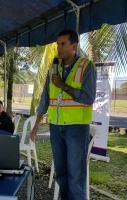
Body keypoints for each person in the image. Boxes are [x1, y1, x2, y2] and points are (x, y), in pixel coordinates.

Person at [29, 29, 97, 200]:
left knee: (76, 176)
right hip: (56, 127)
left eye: (63, 44)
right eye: (58, 44)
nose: (58, 48)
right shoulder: (53, 69)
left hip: (76, 128)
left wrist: (63, 85)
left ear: (74, 45)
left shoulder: (86, 66)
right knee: (61, 175)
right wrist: (35, 126)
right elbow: (45, 99)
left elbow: (89, 98)